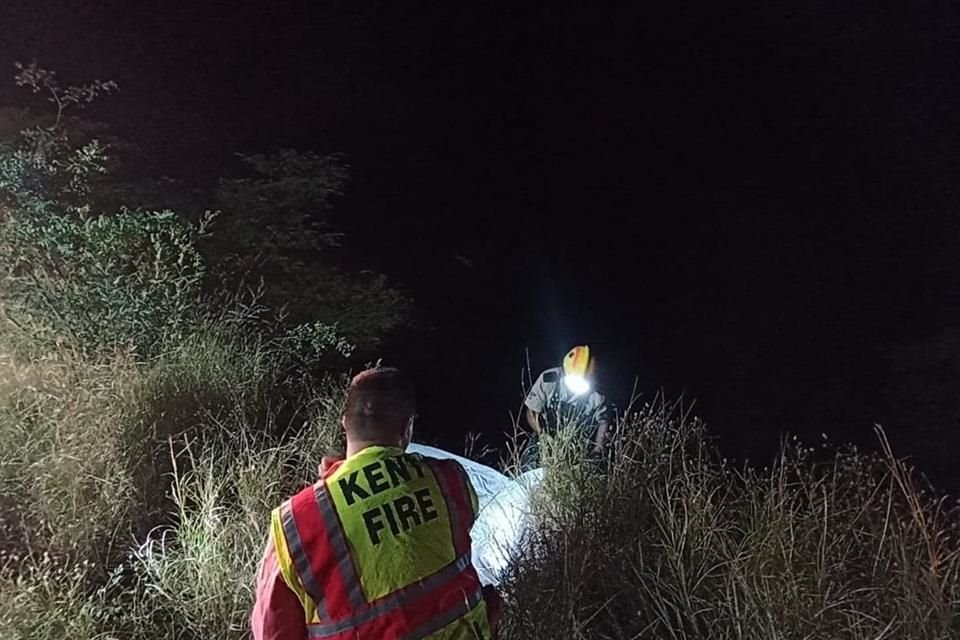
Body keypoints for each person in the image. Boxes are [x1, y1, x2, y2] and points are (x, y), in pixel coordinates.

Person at [252, 367, 500, 640]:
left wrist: (335, 480)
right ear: (408, 428)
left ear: (345, 422)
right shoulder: (450, 480)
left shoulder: (295, 523)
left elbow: (273, 630)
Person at [522, 345, 610, 468]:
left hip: (575, 446)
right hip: (543, 438)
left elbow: (603, 422)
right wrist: (543, 435)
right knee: (527, 468)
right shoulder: (549, 379)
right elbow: (531, 411)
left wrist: (597, 450)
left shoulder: (596, 396)